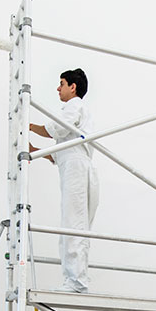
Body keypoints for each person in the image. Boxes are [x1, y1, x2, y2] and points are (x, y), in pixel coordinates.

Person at [29, 68, 100, 293]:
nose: (58, 88)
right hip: (78, 167)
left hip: (77, 170)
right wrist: (34, 150)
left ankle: (76, 282)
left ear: (73, 87)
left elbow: (56, 129)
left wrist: (28, 126)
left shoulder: (74, 105)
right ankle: (76, 279)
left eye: (62, 83)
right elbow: (59, 154)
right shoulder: (78, 118)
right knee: (76, 224)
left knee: (73, 223)